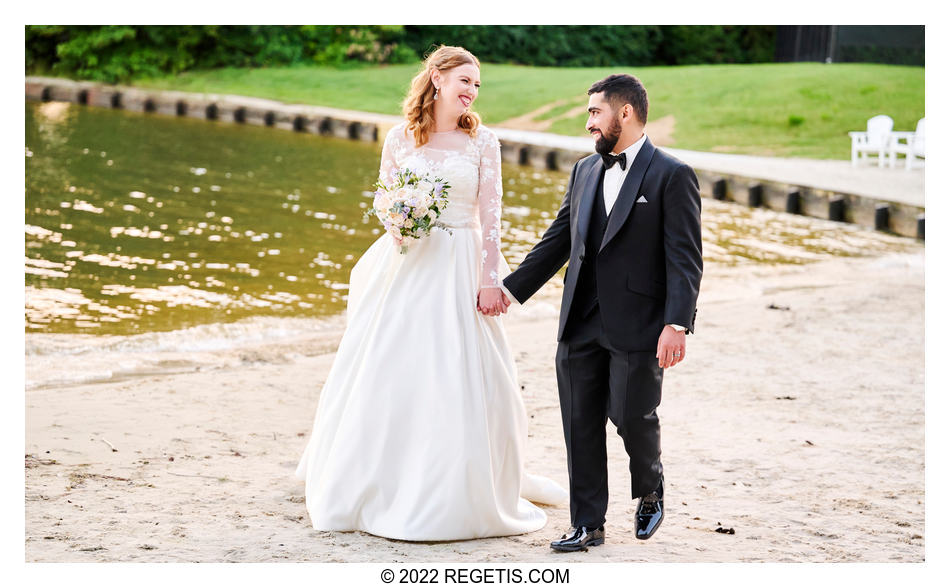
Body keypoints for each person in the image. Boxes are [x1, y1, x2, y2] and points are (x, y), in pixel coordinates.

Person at [293, 45, 566, 542]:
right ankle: (381, 476)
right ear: (437, 79)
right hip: (409, 264)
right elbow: (387, 198)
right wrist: (398, 223)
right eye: (464, 80)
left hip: (463, 263)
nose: (471, 91)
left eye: (477, 84)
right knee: (392, 364)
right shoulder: (400, 138)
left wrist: (490, 280)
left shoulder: (484, 142)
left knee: (463, 369)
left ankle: (461, 480)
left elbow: (491, 217)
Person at [499, 74, 703, 551]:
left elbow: (685, 258)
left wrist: (676, 324)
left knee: (633, 417)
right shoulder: (584, 171)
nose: (589, 121)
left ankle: (650, 487)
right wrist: (508, 292)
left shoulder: (672, 175)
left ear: (624, 113)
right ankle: (587, 522)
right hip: (579, 319)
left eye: (596, 112)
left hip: (639, 323)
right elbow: (557, 241)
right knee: (579, 422)